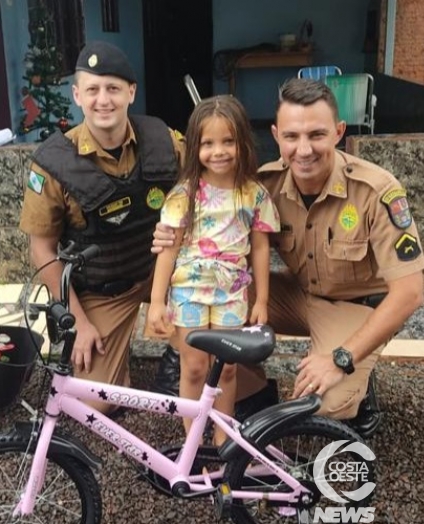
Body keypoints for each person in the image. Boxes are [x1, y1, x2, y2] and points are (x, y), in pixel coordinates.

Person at [153, 78, 424, 437]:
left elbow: (411, 292)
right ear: (276, 135)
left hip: (351, 308)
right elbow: (216, 227)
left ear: (339, 132)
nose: (304, 149)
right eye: (292, 136)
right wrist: (169, 236)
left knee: (324, 401)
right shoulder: (265, 183)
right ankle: (225, 380)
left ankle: (357, 370)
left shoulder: (376, 190)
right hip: (295, 295)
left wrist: (341, 358)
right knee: (211, 292)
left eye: (317, 134)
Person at [19, 41, 185, 414]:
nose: (103, 100)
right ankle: (115, 358)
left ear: (131, 92)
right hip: (103, 287)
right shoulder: (54, 164)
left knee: (221, 350)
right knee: (93, 405)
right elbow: (41, 250)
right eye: (92, 90)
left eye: (113, 88)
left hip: (163, 273)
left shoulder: (164, 141)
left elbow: (205, 189)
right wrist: (78, 319)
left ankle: (178, 357)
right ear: (77, 95)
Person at [148, 95, 279, 444]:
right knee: (193, 366)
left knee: (228, 368)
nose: (218, 151)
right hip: (188, 291)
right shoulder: (184, 194)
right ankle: (193, 442)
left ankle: (224, 441)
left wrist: (261, 299)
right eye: (208, 143)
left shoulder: (254, 194)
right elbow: (169, 249)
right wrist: (157, 301)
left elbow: (261, 248)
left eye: (228, 141)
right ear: (195, 147)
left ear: (243, 143)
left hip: (232, 292)